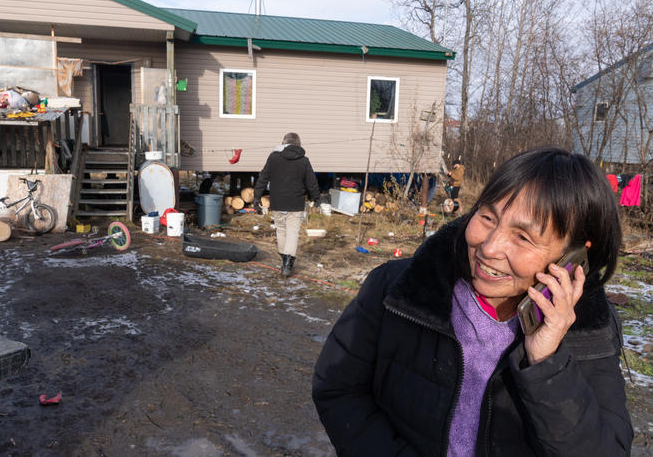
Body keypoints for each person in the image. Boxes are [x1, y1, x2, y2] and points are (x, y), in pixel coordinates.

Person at [312, 148, 632, 456]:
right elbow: (338, 390)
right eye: (488, 217)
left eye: (523, 237)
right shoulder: (397, 289)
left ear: (574, 254)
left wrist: (547, 361)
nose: (489, 247)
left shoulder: (588, 331)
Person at [254, 132, 320, 278]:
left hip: (278, 202)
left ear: (283, 143)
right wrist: (316, 197)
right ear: (298, 144)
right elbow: (311, 182)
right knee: (292, 232)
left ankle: (285, 261)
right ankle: (287, 263)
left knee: (281, 231)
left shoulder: (274, 157)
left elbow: (263, 178)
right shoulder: (304, 161)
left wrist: (257, 197)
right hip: (296, 203)